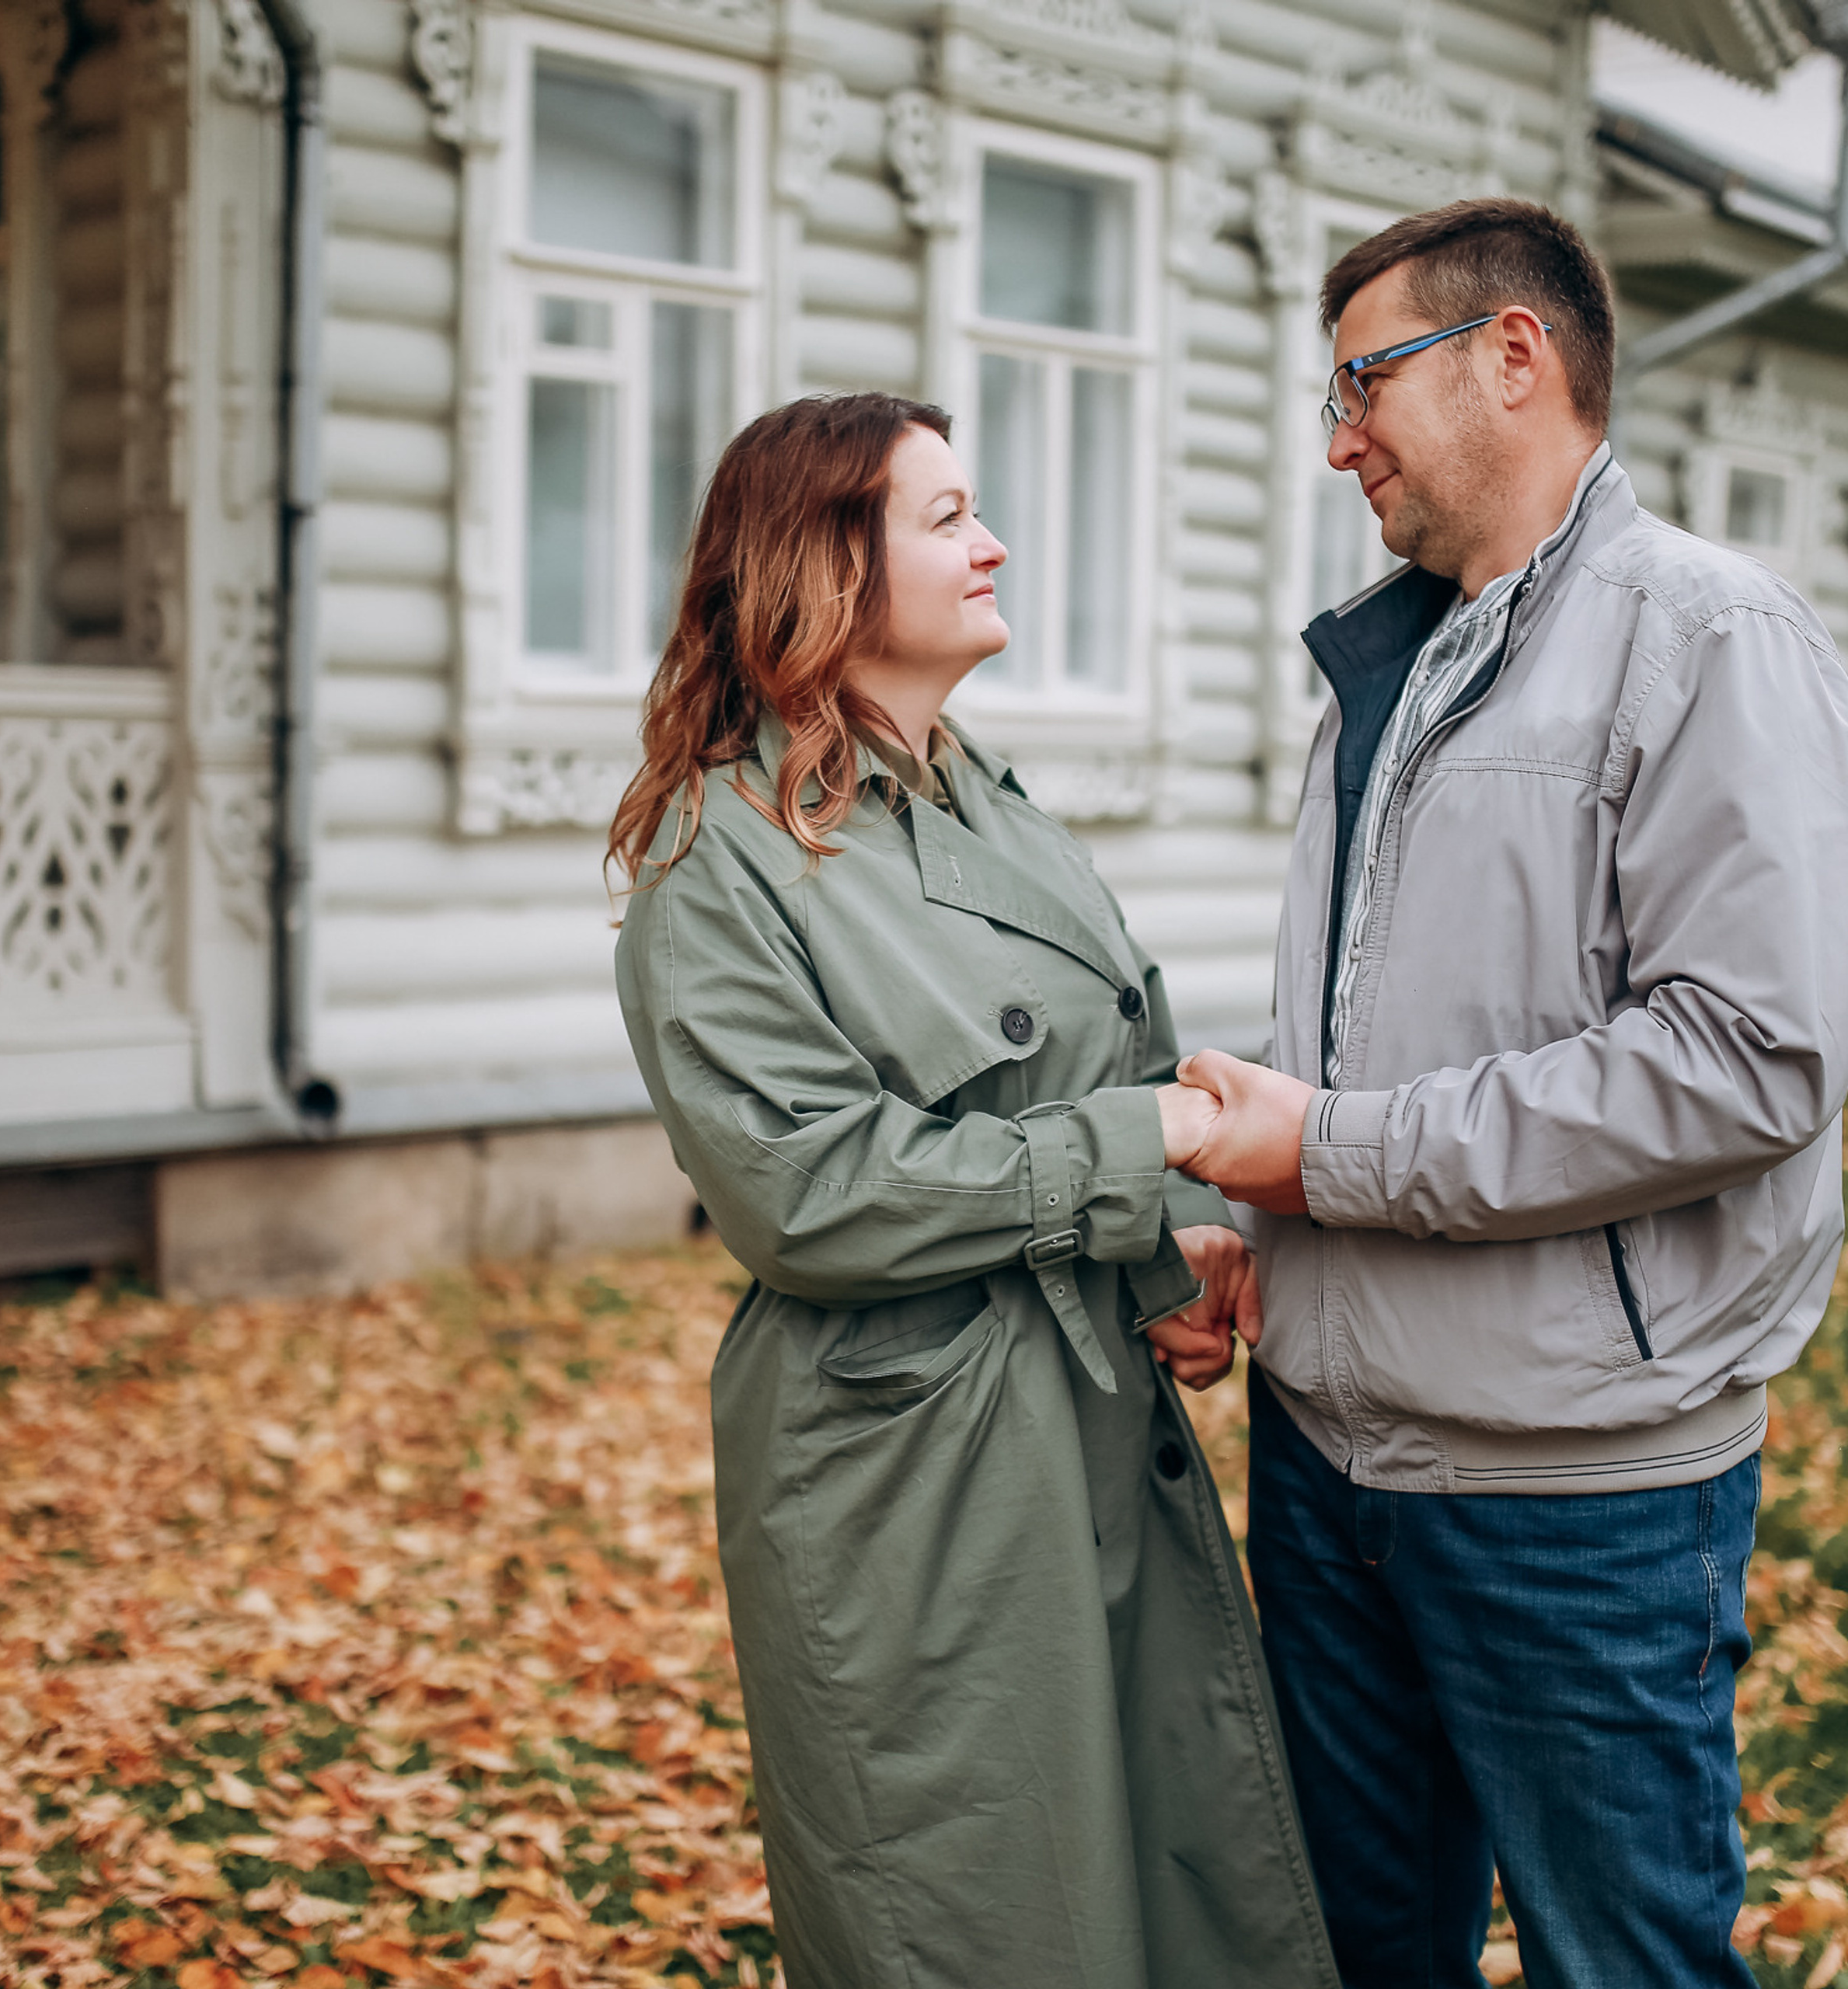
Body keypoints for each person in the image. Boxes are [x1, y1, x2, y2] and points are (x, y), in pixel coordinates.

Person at [1168, 197, 1848, 1988]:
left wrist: (1325, 1153)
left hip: (1578, 1497)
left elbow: (1748, 1057)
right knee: (1354, 1955)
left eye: (1359, 384)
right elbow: (1389, 1027)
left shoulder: (1710, 636)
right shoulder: (1378, 668)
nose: (1335, 441)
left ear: (1512, 356)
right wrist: (1268, 1234)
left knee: (1618, 1960)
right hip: (1326, 1468)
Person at [612, 392, 1337, 1989]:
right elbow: (808, 1197)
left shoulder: (990, 803)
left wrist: (1168, 1271)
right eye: (943, 517)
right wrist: (1139, 1147)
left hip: (1087, 1425)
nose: (991, 540)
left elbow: (1088, 1065)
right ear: (822, 568)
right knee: (972, 1909)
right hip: (906, 1470)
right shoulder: (714, 854)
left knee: (1160, 1886)